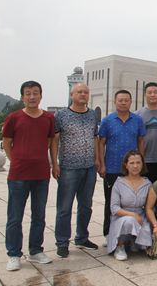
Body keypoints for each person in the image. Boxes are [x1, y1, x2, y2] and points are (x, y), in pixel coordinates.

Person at [2, 81, 55, 271]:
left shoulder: (48, 118)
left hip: (41, 174)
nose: (32, 97)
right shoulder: (14, 117)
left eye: (35, 93)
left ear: (41, 95)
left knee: (39, 216)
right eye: (28, 93)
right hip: (18, 175)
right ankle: (14, 254)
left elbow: (49, 141)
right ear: (22, 97)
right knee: (15, 217)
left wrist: (51, 164)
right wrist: (16, 160)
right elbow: (6, 142)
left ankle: (36, 250)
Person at [52, 83, 99, 258]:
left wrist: (97, 160)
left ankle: (82, 237)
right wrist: (54, 163)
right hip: (68, 168)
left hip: (89, 168)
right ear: (72, 95)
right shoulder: (61, 115)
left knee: (86, 206)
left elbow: (95, 138)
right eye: (79, 92)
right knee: (64, 207)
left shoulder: (92, 114)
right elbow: (55, 140)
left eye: (86, 92)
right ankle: (62, 242)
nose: (83, 94)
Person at [98, 90, 146, 238]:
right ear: (115, 101)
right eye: (120, 100)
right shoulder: (107, 120)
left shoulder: (137, 120)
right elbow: (101, 143)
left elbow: (141, 141)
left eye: (126, 100)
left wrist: (141, 163)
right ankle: (108, 233)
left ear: (131, 102)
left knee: (131, 202)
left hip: (132, 169)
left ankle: (131, 232)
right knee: (111, 202)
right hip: (112, 167)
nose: (123, 103)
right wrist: (101, 164)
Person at [107, 151, 153, 260]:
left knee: (147, 242)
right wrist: (132, 215)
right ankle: (120, 246)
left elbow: (149, 207)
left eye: (138, 162)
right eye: (132, 163)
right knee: (129, 221)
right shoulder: (119, 183)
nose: (135, 166)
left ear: (142, 164)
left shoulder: (147, 184)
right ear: (126, 165)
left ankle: (133, 240)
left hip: (141, 217)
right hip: (122, 217)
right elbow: (114, 208)